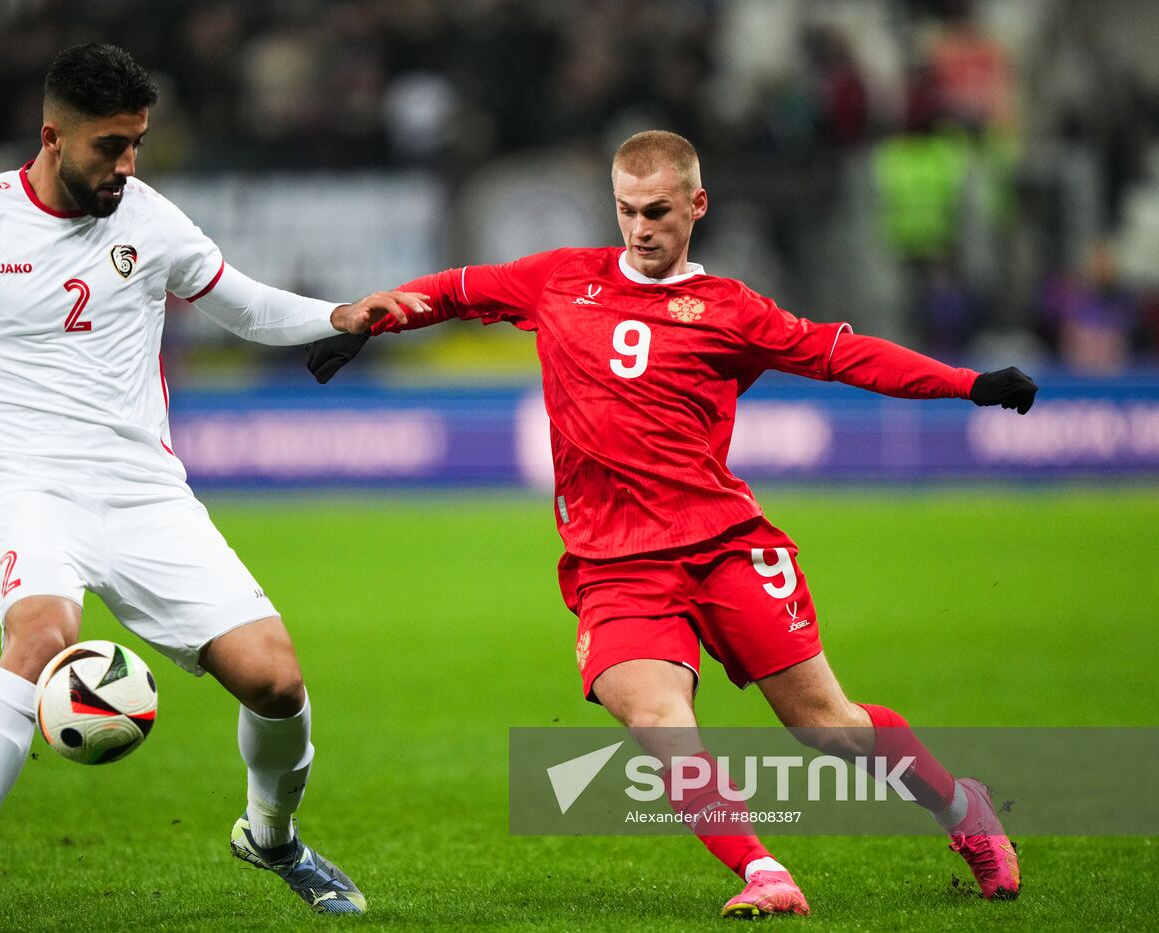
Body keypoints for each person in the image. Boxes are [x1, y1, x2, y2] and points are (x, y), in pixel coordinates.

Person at [307, 130, 1035, 918]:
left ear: (696, 205)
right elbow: (453, 289)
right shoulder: (559, 280)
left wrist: (968, 384)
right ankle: (762, 872)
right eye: (625, 210)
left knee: (829, 726)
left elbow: (843, 356)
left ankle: (963, 810)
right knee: (659, 717)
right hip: (614, 565)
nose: (640, 228)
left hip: (725, 545)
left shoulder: (731, 310)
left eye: (657, 210)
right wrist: (373, 317)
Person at [0, 43, 428, 931]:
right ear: (52, 136)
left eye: (137, 145)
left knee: (276, 681)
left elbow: (239, 301)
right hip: (26, 481)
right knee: (44, 634)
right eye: (109, 147)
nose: (126, 164)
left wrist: (337, 314)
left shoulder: (149, 218)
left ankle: (271, 837)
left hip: (144, 490)